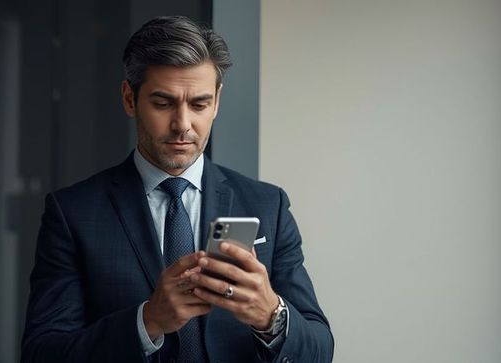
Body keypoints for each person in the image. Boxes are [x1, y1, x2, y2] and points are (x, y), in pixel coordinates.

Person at [21, 15, 334, 363]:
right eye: (163, 103)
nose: (182, 125)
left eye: (198, 104)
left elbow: (320, 350)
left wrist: (270, 315)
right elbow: (42, 353)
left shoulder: (267, 205)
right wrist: (148, 321)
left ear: (216, 102)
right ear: (129, 99)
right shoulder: (73, 214)